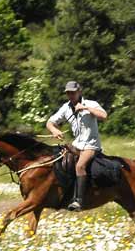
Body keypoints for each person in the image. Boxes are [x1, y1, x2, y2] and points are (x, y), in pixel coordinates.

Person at [46, 81, 108, 211]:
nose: (70, 95)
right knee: (58, 159)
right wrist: (54, 130)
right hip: (77, 145)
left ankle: (79, 201)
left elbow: (104, 116)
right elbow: (50, 122)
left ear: (79, 91)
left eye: (73, 92)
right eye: (68, 93)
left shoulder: (91, 104)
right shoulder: (66, 107)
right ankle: (63, 193)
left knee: (80, 166)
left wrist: (86, 108)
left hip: (91, 146)